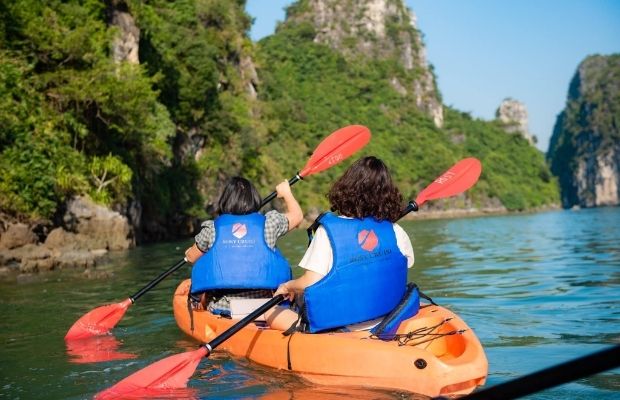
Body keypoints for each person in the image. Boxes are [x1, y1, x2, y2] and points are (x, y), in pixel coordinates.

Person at [265, 156, 414, 333]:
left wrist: (287, 286)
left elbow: (310, 282)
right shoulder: (395, 230)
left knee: (270, 310)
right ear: (388, 194)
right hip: (387, 318)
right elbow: (406, 264)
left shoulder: (327, 233)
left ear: (347, 188)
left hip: (343, 325)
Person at [185, 176, 303, 316]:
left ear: (225, 200)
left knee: (200, 289)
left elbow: (191, 257)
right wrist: (286, 193)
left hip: (223, 308)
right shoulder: (270, 223)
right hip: (266, 306)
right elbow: (297, 216)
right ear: (254, 199)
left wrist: (189, 253)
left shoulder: (212, 228)